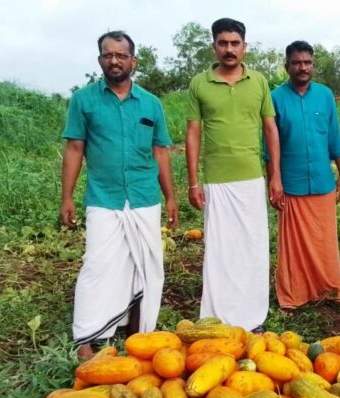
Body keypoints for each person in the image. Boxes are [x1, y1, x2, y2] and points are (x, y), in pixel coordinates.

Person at [60, 31, 178, 359]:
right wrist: (66, 197)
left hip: (144, 196)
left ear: (133, 61)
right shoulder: (84, 100)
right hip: (104, 197)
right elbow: (74, 148)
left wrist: (170, 197)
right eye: (108, 55)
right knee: (97, 265)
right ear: (100, 60)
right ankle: (87, 335)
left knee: (146, 265)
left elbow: (161, 152)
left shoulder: (151, 103)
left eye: (121, 55)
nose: (114, 60)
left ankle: (136, 331)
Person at [185, 18, 281, 331]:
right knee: (220, 248)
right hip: (216, 180)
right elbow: (193, 134)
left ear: (244, 46)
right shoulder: (199, 84)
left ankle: (253, 317)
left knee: (252, 246)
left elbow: (270, 129)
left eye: (235, 43)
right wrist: (194, 182)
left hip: (252, 178)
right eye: (223, 43)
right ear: (214, 46)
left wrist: (275, 177)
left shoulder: (259, 81)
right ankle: (219, 314)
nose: (229, 49)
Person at [270, 41, 340, 309]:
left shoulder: (325, 95)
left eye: (307, 62)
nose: (302, 67)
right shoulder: (275, 98)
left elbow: (334, 137)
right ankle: (294, 296)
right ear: (287, 66)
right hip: (291, 184)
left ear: (313, 65)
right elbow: (271, 146)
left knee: (325, 242)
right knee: (293, 248)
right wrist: (274, 180)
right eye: (296, 62)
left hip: (323, 181)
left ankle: (330, 290)